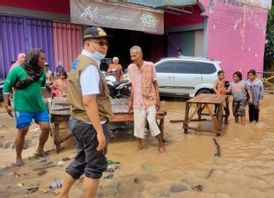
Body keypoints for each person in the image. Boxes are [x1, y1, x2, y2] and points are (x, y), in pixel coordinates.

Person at [59, 27, 114, 198]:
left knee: (81, 160)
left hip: (77, 120)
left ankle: (63, 194)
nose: (104, 46)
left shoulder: (78, 61)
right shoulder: (90, 67)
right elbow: (89, 101)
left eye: (106, 43)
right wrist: (99, 132)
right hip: (90, 124)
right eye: (100, 43)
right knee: (95, 167)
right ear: (88, 43)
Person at [2, 48, 50, 166]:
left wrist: (50, 97)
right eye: (42, 58)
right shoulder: (17, 70)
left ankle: (40, 149)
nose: (44, 61)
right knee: (23, 130)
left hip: (38, 106)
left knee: (46, 127)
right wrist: (6, 104)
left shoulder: (41, 72)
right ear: (34, 59)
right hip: (22, 106)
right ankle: (18, 158)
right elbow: (6, 87)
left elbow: (43, 87)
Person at [127, 45, 166, 153]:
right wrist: (130, 102)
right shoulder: (131, 68)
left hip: (150, 99)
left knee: (152, 121)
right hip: (137, 101)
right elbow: (134, 87)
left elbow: (155, 82)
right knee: (138, 125)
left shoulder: (150, 65)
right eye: (131, 56)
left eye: (135, 56)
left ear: (141, 55)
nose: (133, 58)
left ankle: (161, 144)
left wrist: (158, 99)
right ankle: (140, 144)